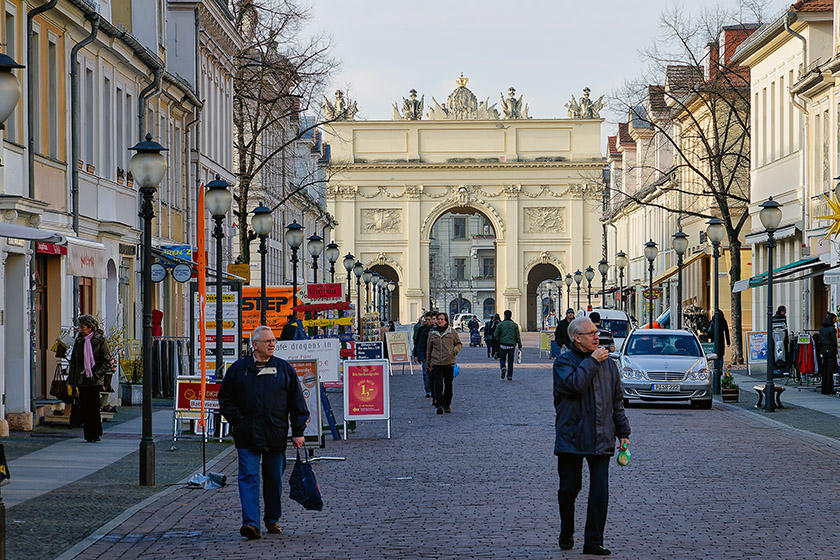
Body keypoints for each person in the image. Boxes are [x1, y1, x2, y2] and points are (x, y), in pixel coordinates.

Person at [219, 325, 310, 540]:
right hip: (247, 435)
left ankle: (272, 519)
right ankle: (250, 523)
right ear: (255, 345)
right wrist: (239, 421)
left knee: (273, 479)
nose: (271, 344)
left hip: (275, 434)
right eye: (267, 341)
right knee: (249, 477)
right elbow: (225, 400)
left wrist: (298, 431)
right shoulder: (238, 369)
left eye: (273, 341)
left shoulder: (284, 369)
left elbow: (297, 403)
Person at [553, 317, 631, 555]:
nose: (597, 337)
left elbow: (617, 401)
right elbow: (575, 385)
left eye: (597, 333)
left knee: (600, 492)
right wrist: (593, 361)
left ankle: (593, 541)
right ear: (577, 338)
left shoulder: (609, 364)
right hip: (572, 436)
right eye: (591, 333)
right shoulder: (563, 362)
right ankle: (566, 530)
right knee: (569, 489)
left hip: (600, 435)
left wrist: (623, 432)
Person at [67, 314, 112, 443]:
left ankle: (96, 433)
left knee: (94, 407)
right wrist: (72, 380)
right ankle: (88, 434)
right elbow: (74, 361)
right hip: (82, 378)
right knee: (85, 407)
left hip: (94, 379)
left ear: (90, 328)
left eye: (83, 327)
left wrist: (96, 374)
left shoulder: (100, 340)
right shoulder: (79, 340)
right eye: (80, 327)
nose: (80, 329)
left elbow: (106, 361)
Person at [425, 312, 462, 414]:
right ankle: (439, 404)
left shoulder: (452, 332)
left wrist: (455, 350)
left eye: (442, 319)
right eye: (438, 319)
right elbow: (429, 349)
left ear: (446, 321)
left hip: (449, 361)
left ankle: (447, 404)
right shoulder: (432, 333)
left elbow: (459, 344)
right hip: (436, 362)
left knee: (448, 384)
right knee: (438, 383)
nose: (440, 321)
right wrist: (428, 362)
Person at [494, 310, 522, 380]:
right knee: (510, 361)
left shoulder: (500, 324)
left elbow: (495, 334)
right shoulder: (514, 325)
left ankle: (503, 367)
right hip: (511, 345)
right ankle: (509, 376)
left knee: (502, 358)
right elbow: (517, 336)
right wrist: (520, 345)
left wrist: (499, 341)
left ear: (504, 315)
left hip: (503, 344)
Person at [413, 312, 435, 398]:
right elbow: (418, 342)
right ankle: (428, 390)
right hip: (425, 354)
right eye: (426, 320)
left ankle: (434, 389)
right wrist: (416, 355)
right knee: (426, 373)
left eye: (429, 320)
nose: (427, 321)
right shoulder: (422, 329)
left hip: (435, 355)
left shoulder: (435, 329)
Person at [817, 313, 837, 395]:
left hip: (824, 349)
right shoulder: (832, 328)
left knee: (825, 368)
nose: (835, 321)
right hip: (831, 349)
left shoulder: (822, 329)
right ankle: (829, 388)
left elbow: (819, 340)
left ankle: (824, 388)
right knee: (830, 369)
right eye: (835, 319)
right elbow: (834, 339)